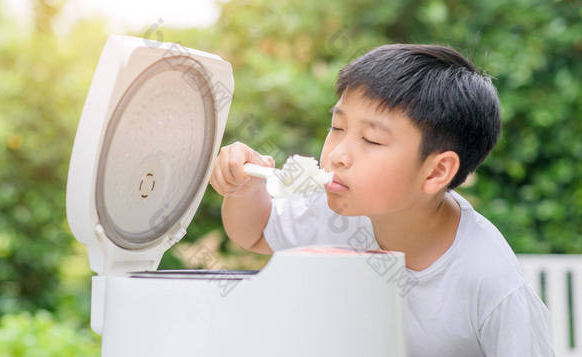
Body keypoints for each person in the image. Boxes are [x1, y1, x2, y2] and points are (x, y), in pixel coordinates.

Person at [209, 44, 554, 356]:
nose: (338, 155)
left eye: (372, 140)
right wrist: (243, 189)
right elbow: (255, 232)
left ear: (436, 172)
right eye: (337, 127)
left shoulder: (490, 280)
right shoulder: (338, 209)